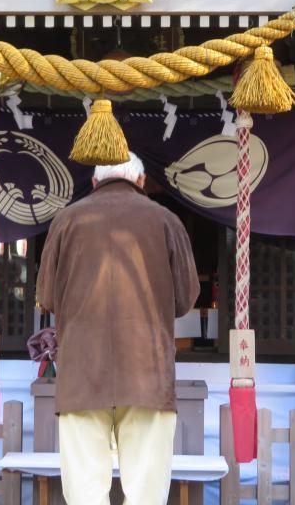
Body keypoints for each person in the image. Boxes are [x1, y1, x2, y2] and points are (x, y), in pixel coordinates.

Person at [36, 152, 199, 505]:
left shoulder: (66, 221)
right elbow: (186, 299)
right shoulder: (166, 220)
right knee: (145, 493)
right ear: (141, 182)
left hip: (81, 373)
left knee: (84, 493)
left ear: (94, 183)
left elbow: (46, 296)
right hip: (148, 375)